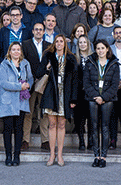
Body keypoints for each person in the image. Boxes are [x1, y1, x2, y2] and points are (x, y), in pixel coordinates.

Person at [40, 34, 77, 166]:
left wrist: (73, 99)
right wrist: (47, 67)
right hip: (51, 94)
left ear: (65, 44)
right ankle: (51, 155)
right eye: (57, 41)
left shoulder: (71, 59)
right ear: (54, 43)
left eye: (61, 41)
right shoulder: (48, 56)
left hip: (65, 95)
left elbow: (75, 81)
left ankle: (60, 154)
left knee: (61, 124)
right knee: (52, 124)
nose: (59, 43)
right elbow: (39, 72)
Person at [83, 40, 120, 168]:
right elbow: (86, 83)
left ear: (107, 49)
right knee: (93, 127)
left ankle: (103, 156)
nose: (100, 51)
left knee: (105, 127)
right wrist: (96, 96)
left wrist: (103, 97)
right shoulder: (90, 63)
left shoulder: (114, 64)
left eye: (102, 48)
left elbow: (115, 85)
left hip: (107, 99)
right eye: (98, 48)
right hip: (92, 98)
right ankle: (96, 156)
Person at [0, 42, 33, 166]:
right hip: (8, 102)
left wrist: (28, 85)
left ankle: (16, 155)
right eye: (13, 49)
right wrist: (20, 86)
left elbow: (30, 78)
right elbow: (3, 83)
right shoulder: (4, 64)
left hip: (21, 101)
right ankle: (8, 155)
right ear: (9, 51)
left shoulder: (25, 64)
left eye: (18, 49)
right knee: (7, 129)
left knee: (19, 130)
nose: (16, 52)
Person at [21, 23, 50, 151]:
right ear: (32, 31)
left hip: (44, 83)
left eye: (41, 30)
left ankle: (45, 140)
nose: (38, 31)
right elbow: (23, 62)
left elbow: (50, 64)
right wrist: (30, 78)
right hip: (30, 83)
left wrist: (43, 75)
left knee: (44, 113)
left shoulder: (48, 46)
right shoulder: (26, 44)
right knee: (28, 113)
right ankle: (25, 140)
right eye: (36, 29)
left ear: (44, 32)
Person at [74, 35, 93, 150]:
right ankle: (81, 141)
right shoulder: (74, 58)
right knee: (79, 119)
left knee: (91, 118)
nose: (82, 44)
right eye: (80, 42)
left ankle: (91, 141)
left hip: (91, 93)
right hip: (78, 93)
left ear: (88, 44)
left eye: (84, 42)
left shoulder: (93, 58)